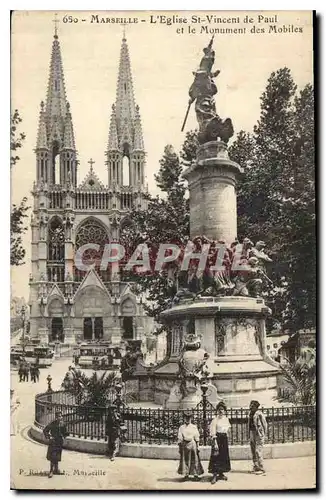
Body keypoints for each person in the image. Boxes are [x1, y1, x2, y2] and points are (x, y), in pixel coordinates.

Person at [208, 401, 231, 484]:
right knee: (216, 457)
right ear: (217, 411)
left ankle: (221, 473)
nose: (221, 411)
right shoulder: (215, 420)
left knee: (223, 456)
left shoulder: (226, 419)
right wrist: (215, 443)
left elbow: (227, 429)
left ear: (224, 411)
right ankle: (214, 475)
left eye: (222, 409)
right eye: (219, 409)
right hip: (217, 439)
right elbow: (213, 433)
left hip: (224, 440)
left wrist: (227, 436)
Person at [177, 411, 204, 481]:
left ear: (191, 418)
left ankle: (195, 474)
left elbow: (197, 437)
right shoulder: (182, 427)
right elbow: (180, 438)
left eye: (189, 418)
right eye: (186, 418)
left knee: (195, 459)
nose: (187, 419)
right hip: (185, 445)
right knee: (185, 460)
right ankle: (186, 475)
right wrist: (180, 448)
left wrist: (198, 446)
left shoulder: (193, 427)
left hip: (192, 444)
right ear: (184, 418)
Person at [43, 410, 69, 478]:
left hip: (59, 442)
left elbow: (66, 432)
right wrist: (49, 437)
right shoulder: (52, 424)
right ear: (56, 417)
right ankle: (51, 471)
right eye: (58, 416)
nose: (59, 418)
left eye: (60, 416)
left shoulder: (63, 424)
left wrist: (64, 436)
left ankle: (56, 470)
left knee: (57, 455)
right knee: (52, 456)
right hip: (53, 442)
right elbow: (45, 430)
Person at [248, 400, 268, 474]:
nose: (250, 407)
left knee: (258, 450)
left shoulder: (259, 414)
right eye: (250, 405)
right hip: (251, 433)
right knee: (253, 449)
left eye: (252, 406)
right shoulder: (250, 413)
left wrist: (263, 434)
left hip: (258, 434)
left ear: (256, 407)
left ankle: (261, 467)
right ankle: (256, 466)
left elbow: (265, 424)